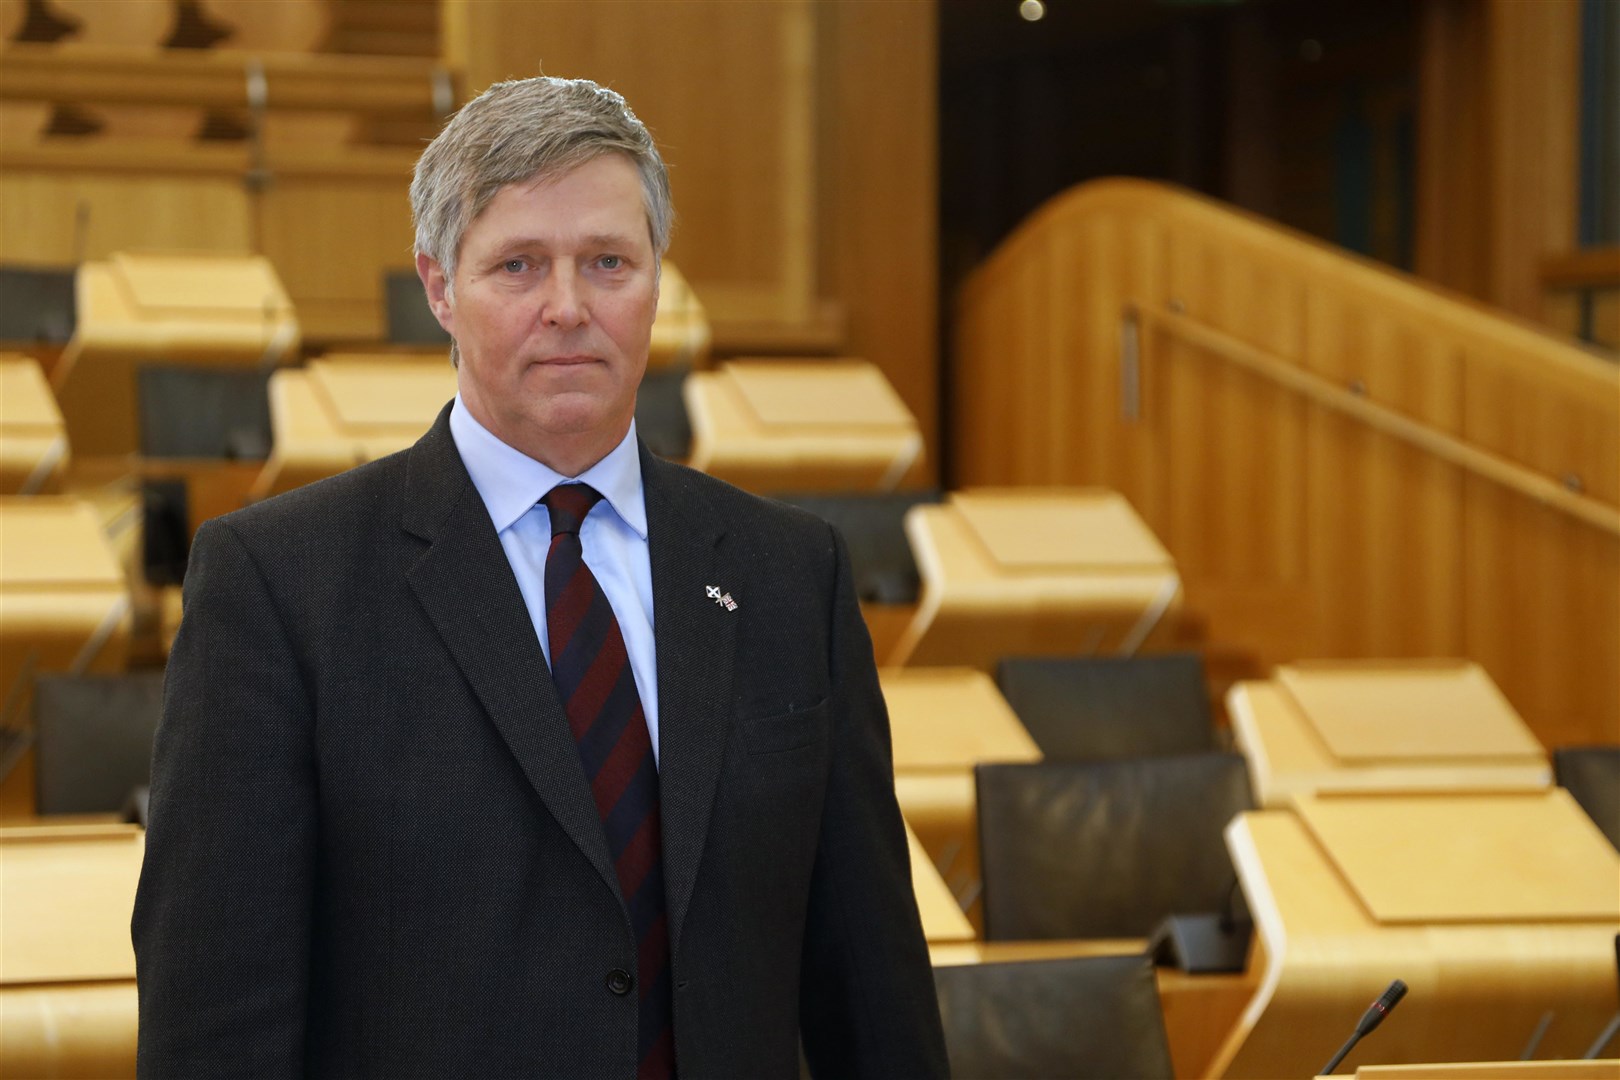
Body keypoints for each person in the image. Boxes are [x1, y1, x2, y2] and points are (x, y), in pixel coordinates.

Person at [131, 75, 949, 1079]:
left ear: (658, 280)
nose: (569, 308)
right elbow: (214, 1023)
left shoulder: (793, 576)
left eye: (608, 261)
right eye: (518, 266)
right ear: (438, 286)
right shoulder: (276, 584)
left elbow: (872, 993)